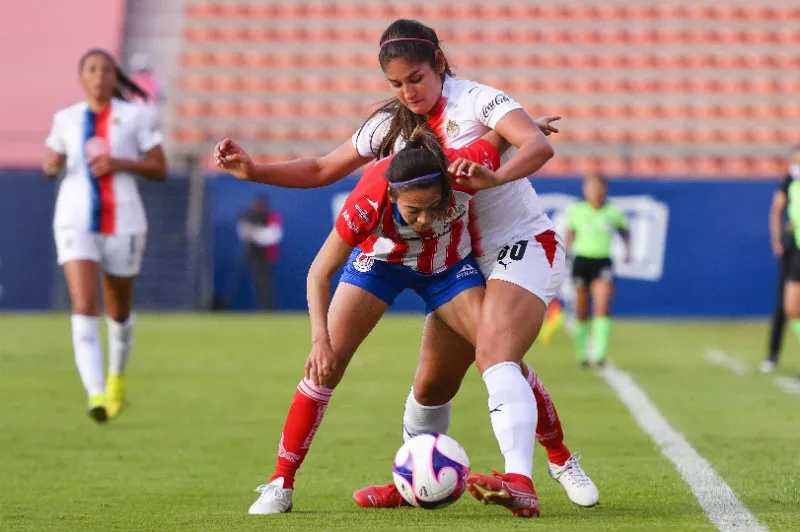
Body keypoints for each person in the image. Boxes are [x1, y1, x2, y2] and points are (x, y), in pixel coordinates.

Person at [216, 19, 598, 517]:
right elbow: (320, 171)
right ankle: (316, 482)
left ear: (439, 60)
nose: (408, 92)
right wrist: (254, 170)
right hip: (393, 258)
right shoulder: (385, 134)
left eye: (415, 78)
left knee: (497, 353)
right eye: (396, 84)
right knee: (427, 384)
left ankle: (550, 464)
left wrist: (497, 173)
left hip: (480, 256)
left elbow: (532, 144)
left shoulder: (478, 103)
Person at [247, 127, 502, 514]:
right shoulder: (368, 199)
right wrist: (320, 341)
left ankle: (554, 460)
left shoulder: (459, 169)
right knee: (324, 368)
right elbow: (319, 271)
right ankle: (281, 481)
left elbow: (500, 134)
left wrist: (525, 126)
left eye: (433, 208)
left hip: (448, 268)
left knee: (500, 355)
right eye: (412, 210)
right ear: (393, 194)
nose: (424, 221)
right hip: (380, 265)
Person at [42, 49, 167, 422]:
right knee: (83, 303)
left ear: (116, 77)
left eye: (106, 69)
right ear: (81, 77)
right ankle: (96, 393)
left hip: (124, 220)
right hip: (73, 218)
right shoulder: (65, 119)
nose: (99, 76)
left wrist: (118, 163)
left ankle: (116, 378)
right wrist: (51, 165)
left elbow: (160, 168)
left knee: (119, 309)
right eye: (92, 69)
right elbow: (52, 164)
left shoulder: (136, 117)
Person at [566, 173, 630, 368]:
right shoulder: (577, 210)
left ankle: (600, 354)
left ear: (605, 189)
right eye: (590, 187)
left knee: (602, 304)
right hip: (582, 261)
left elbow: (625, 231)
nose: (594, 191)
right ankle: (582, 353)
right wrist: (566, 253)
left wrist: (628, 251)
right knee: (582, 308)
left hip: (602, 261)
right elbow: (571, 232)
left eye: (597, 187)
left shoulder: (613, 212)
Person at [762, 147, 800, 373]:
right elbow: (777, 209)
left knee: (792, 306)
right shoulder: (790, 181)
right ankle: (772, 355)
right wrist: (777, 238)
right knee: (787, 306)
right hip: (792, 247)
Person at [237, 195, 283, 310]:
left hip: (267, 255)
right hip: (253, 254)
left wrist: (254, 232)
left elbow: (272, 237)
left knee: (265, 283)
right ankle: (261, 307)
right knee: (258, 283)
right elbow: (244, 234)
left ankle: (268, 308)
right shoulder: (249, 216)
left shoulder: (272, 216)